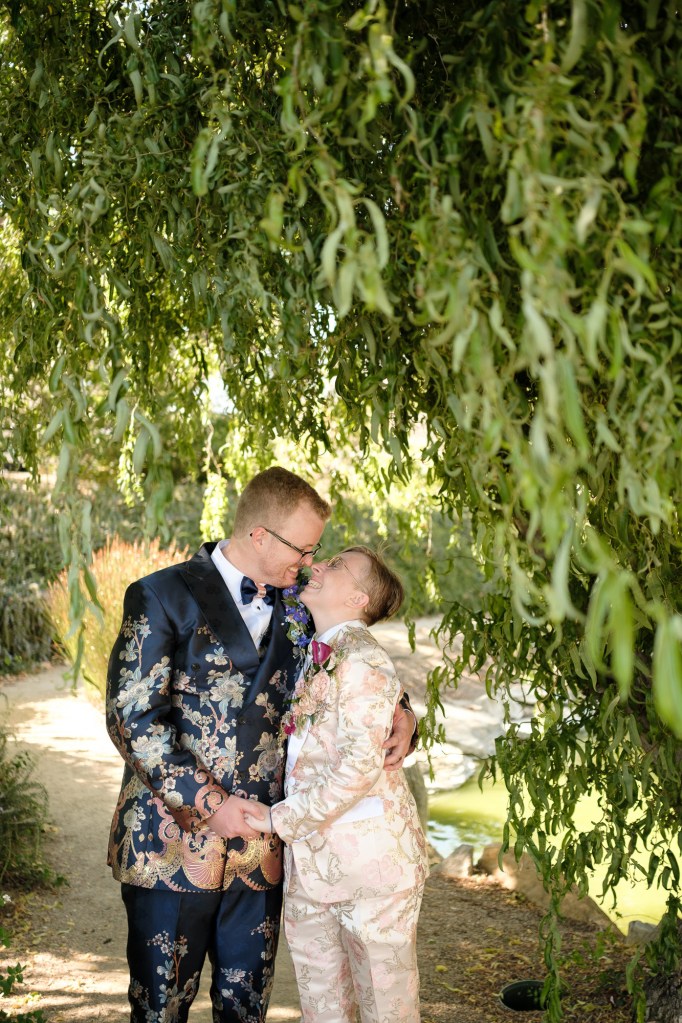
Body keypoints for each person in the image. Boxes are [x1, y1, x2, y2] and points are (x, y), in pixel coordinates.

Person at [105, 467, 417, 1023]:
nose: (311, 562)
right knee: (159, 1009)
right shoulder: (160, 593)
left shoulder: (304, 609)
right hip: (172, 842)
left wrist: (405, 716)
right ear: (260, 536)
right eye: (304, 548)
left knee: (246, 1009)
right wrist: (210, 805)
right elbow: (133, 718)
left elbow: (359, 676)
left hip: (263, 849)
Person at [242, 546, 429, 1023]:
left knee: (386, 1008)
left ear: (359, 598)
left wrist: (276, 818)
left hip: (372, 869)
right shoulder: (319, 649)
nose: (317, 565)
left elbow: (358, 768)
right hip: (312, 864)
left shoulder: (362, 659)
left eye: (336, 565)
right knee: (322, 1007)